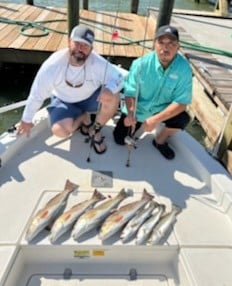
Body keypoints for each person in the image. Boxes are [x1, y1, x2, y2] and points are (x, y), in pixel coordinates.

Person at [17, 24, 124, 154]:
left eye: (85, 45)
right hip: (63, 100)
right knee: (59, 131)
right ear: (69, 42)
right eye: (77, 43)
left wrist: (110, 89)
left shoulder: (98, 63)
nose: (80, 48)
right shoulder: (52, 65)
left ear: (91, 49)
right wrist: (26, 119)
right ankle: (84, 117)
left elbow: (119, 77)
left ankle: (95, 130)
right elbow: (36, 95)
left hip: (90, 99)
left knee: (114, 96)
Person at [113, 25, 192, 160]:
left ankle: (160, 140)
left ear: (178, 47)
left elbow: (181, 102)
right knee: (119, 139)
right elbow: (130, 92)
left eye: (171, 44)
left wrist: (156, 119)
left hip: (161, 109)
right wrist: (131, 113)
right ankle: (130, 121)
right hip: (139, 109)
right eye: (161, 42)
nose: (165, 48)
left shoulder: (185, 69)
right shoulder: (140, 64)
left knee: (183, 119)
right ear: (154, 45)